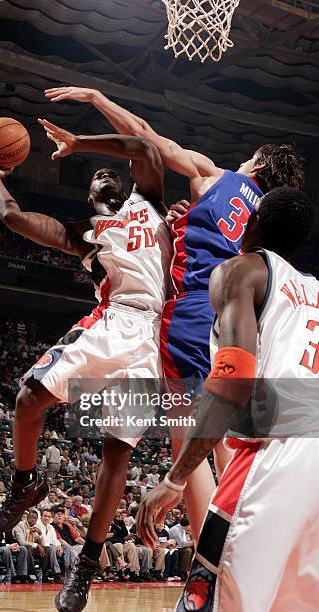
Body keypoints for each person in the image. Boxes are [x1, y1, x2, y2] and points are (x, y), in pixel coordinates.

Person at [45, 85, 306, 540]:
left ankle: (206, 558)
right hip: (243, 325)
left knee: (185, 438)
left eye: (248, 159)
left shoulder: (216, 176)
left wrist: (95, 100)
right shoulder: (268, 222)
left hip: (190, 315)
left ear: (256, 165)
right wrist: (178, 219)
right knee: (226, 436)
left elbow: (148, 139)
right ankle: (251, 539)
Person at [0, 122, 172, 609]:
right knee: (28, 398)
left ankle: (85, 567)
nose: (103, 173)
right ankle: (24, 484)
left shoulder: (148, 203)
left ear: (126, 185)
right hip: (112, 323)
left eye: (111, 171)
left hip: (152, 338)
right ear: (90, 197)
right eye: (94, 175)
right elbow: (14, 218)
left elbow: (146, 148)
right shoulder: (89, 239)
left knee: (115, 455)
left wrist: (80, 144)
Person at [136, 187, 319, 610]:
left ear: (250, 223)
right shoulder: (313, 290)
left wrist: (174, 479)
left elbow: (232, 384)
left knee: (214, 601)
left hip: (271, 457)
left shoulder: (242, 271)